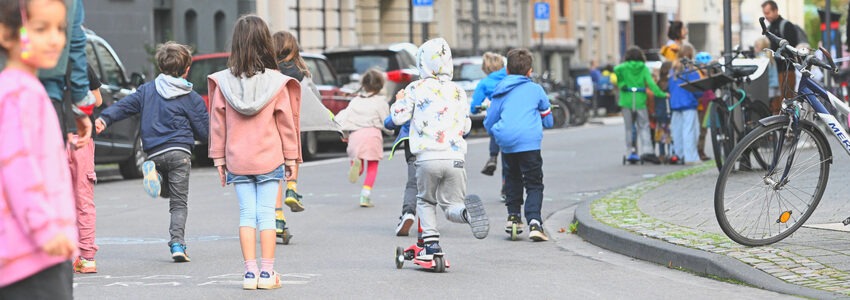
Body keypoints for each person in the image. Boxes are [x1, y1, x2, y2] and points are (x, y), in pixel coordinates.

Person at [208, 15, 301, 290]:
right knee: (267, 215)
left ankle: (249, 274)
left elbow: (218, 124)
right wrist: (291, 159)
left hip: (238, 159)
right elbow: (286, 125)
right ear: (265, 43)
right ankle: (267, 273)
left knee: (246, 215)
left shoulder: (223, 82)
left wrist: (219, 159)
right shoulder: (277, 83)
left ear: (236, 44)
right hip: (269, 157)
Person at [95, 42, 209, 262]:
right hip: (180, 154)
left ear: (160, 66)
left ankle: (154, 174)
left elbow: (124, 106)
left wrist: (104, 118)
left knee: (165, 191)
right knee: (178, 203)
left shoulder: (147, 90)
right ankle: (178, 244)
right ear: (187, 69)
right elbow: (204, 132)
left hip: (154, 153)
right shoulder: (191, 97)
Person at [0, 0, 78, 298]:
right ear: (7, 36)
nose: (55, 38)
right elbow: (18, 167)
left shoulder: (22, 88)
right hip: (33, 256)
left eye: (60, 28)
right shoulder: (20, 93)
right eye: (40, 29)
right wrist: (45, 229)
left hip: (32, 253)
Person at [390, 38, 489, 261]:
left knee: (426, 200)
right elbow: (466, 126)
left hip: (427, 157)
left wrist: (399, 101)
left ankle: (431, 246)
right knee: (452, 205)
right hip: (455, 158)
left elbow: (398, 118)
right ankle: (466, 214)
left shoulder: (415, 88)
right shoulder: (459, 91)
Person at [484, 48, 554, 241]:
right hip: (529, 143)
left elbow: (489, 122)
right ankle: (534, 221)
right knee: (533, 183)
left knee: (512, 178)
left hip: (507, 143)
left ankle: (513, 217)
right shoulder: (536, 90)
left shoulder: (500, 90)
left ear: (507, 70)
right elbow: (548, 121)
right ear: (530, 71)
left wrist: (496, 131)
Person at [336, 69, 389, 207]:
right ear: (380, 85)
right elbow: (387, 123)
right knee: (372, 166)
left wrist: (345, 135)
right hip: (372, 135)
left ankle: (356, 165)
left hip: (355, 135)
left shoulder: (355, 101)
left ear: (363, 84)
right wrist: (391, 131)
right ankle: (365, 196)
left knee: (358, 161)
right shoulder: (381, 102)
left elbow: (345, 118)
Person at [71, 64, 103, 273]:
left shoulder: (39, 61)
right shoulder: (81, 64)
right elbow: (97, 100)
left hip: (52, 135)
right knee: (84, 197)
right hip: (81, 135)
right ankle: (87, 257)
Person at [614, 46, 668, 164]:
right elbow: (651, 84)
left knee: (629, 128)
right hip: (639, 100)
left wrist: (622, 83)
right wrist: (661, 94)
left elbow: (616, 70)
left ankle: (630, 151)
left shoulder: (623, 67)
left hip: (626, 100)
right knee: (643, 126)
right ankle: (648, 150)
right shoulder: (643, 68)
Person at [471, 52, 507, 177]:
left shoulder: (485, 83)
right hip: (514, 116)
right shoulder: (511, 77)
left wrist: (477, 109)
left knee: (494, 126)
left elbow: (474, 107)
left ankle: (493, 157)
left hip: (498, 116)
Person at [762, 0, 800, 113]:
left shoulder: (786, 26)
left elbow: (791, 47)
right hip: (775, 72)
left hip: (786, 71)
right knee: (775, 106)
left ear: (775, 10)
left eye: (768, 13)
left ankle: (789, 127)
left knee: (786, 103)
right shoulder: (769, 28)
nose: (766, 16)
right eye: (765, 13)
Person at [668, 44, 703, 165]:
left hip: (675, 104)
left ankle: (679, 155)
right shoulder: (692, 71)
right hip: (688, 103)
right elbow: (698, 88)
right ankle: (691, 157)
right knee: (690, 131)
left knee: (677, 131)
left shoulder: (673, 71)